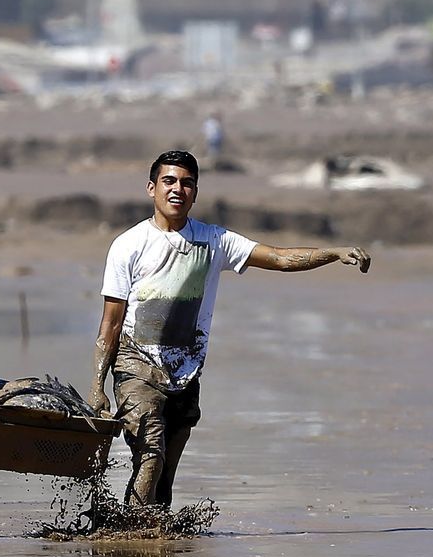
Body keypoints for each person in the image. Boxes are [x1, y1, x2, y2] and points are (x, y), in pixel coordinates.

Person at [91, 150, 371, 509]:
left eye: (187, 183)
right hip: (135, 367)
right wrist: (98, 385)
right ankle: (130, 536)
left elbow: (280, 258)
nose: (178, 189)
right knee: (151, 455)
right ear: (152, 189)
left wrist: (333, 253)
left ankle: (153, 547)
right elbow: (110, 322)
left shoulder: (214, 241)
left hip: (185, 373)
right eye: (169, 181)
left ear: (195, 192)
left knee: (166, 474)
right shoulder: (128, 245)